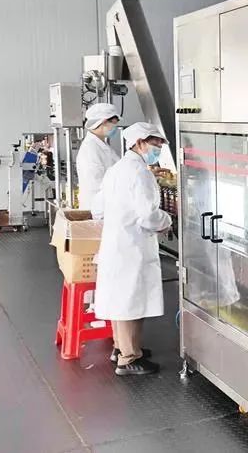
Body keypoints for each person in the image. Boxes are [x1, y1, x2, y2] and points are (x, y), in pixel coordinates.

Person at [92, 122, 171, 376]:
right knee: (129, 300)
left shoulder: (116, 169)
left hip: (117, 243)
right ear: (139, 143)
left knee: (122, 299)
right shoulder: (139, 173)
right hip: (131, 247)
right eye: (155, 145)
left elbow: (98, 209)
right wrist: (167, 220)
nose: (158, 150)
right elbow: (148, 216)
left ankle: (121, 348)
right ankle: (128, 359)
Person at [75, 103, 121, 211]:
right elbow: (96, 184)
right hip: (98, 208)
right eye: (114, 123)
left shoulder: (101, 145)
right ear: (104, 122)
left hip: (106, 205)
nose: (115, 128)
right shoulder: (90, 149)